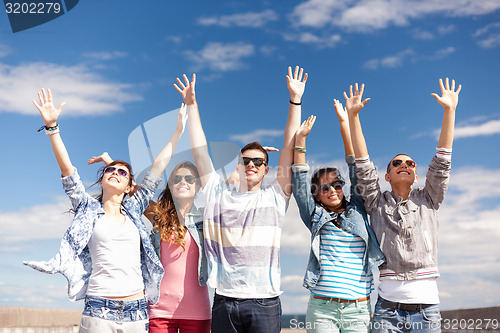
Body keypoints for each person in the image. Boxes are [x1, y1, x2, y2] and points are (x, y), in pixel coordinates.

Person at [24, 89, 189, 332]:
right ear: (102, 180)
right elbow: (68, 170)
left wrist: (177, 132)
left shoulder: (134, 209)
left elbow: (158, 167)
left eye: (123, 172)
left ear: (128, 185)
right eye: (110, 170)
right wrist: (52, 128)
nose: (115, 173)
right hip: (98, 309)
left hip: (136, 309)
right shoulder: (87, 207)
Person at [173, 66, 307, 332]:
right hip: (224, 301)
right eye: (246, 160)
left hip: (265, 301)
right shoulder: (217, 193)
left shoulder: (275, 196)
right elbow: (200, 151)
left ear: (267, 169)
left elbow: (289, 147)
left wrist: (295, 100)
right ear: (239, 164)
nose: (252, 164)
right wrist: (192, 105)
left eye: (259, 161)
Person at [345, 78, 461, 332]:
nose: (404, 165)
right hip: (387, 310)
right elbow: (363, 166)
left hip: (427, 311)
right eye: (397, 163)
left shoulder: (429, 199)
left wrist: (449, 110)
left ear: (417, 175)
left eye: (410, 163)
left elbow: (442, 163)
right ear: (387, 176)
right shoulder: (376, 202)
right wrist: (353, 118)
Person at [88, 105, 211, 333]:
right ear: (170, 187)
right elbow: (131, 188)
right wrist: (110, 163)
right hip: (157, 311)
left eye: (189, 178)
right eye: (177, 178)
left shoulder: (206, 219)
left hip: (198, 313)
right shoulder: (159, 217)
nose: (183, 181)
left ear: (198, 186)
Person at [291, 100, 384, 333]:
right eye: (325, 188)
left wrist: (345, 122)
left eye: (336, 184)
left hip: (358, 308)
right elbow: (299, 183)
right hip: (322, 308)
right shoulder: (314, 215)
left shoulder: (358, 210)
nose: (332, 190)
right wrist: (300, 141)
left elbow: (355, 167)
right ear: (317, 195)